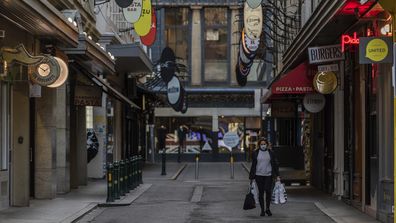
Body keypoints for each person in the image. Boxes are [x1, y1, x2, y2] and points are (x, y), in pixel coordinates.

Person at [249, 138, 280, 217]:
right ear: (259, 145)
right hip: (258, 175)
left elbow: (275, 164)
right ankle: (262, 210)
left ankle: (268, 208)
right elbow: (253, 165)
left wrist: (277, 176)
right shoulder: (255, 153)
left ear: (267, 144)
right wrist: (251, 177)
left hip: (268, 175)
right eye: (261, 144)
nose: (263, 145)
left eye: (264, 144)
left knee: (268, 191)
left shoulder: (271, 153)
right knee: (261, 193)